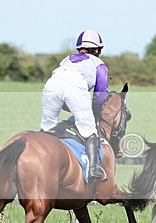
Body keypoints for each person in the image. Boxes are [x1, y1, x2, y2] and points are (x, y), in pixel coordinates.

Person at [40, 29, 109, 183]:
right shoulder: (99, 64)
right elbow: (100, 96)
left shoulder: (66, 59)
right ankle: (93, 170)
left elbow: (64, 99)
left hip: (51, 85)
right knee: (90, 131)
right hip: (75, 87)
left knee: (47, 128)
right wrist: (93, 112)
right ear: (97, 49)